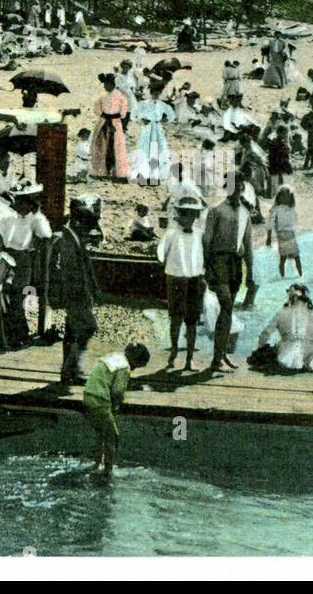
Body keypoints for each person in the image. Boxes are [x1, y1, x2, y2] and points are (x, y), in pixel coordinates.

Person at [202, 178, 254, 372]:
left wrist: (251, 273)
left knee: (228, 310)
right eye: (232, 188)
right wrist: (205, 267)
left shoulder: (245, 213)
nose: (236, 192)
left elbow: (248, 245)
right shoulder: (216, 211)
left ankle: (221, 355)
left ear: (242, 189)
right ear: (227, 189)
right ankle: (217, 359)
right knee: (226, 305)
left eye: (239, 188)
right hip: (218, 261)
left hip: (235, 264)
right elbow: (206, 241)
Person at [47, 196, 100, 384]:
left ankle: (67, 371)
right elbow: (71, 274)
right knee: (88, 327)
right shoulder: (67, 241)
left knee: (71, 332)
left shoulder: (72, 236)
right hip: (76, 295)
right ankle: (71, 367)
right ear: (77, 222)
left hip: (76, 294)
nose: (88, 232)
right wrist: (84, 294)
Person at [82, 343, 150, 480]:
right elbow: (118, 391)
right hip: (100, 400)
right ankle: (108, 471)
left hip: (88, 395)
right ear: (135, 360)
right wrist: (115, 407)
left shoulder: (113, 357)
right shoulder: (124, 367)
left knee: (101, 433)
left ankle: (97, 464)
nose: (135, 369)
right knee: (112, 436)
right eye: (137, 366)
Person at [0, 181, 51, 347]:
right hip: (7, 257)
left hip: (23, 260)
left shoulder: (35, 219)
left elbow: (46, 236)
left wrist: (36, 218)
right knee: (4, 295)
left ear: (30, 203)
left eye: (23, 202)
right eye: (17, 201)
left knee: (18, 296)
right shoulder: (9, 217)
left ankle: (19, 333)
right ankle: (9, 333)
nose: (18, 205)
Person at [157, 197, 206, 371]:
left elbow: (204, 254)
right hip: (176, 279)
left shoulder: (200, 233)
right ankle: (174, 353)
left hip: (195, 279)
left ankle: (190, 358)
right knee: (176, 319)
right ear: (179, 215)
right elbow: (161, 253)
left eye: (193, 215)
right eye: (186, 214)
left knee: (192, 320)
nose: (190, 218)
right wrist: (166, 262)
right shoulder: (171, 233)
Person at [254, 284, 313, 373]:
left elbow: (266, 333)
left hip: (285, 356)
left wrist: (259, 348)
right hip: (310, 355)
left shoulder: (281, 313)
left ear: (291, 298)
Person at [129, 81, 176, 185]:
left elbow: (172, 115)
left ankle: (155, 176)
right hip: (147, 129)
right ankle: (142, 175)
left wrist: (165, 120)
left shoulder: (162, 105)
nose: (156, 94)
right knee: (145, 150)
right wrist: (141, 120)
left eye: (158, 92)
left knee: (158, 151)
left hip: (158, 129)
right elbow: (133, 115)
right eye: (154, 92)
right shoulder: (143, 104)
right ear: (151, 92)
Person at [91, 73, 130, 179]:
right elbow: (96, 109)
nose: (105, 86)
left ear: (113, 84)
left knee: (114, 144)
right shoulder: (103, 96)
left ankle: (114, 169)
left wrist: (110, 116)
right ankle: (102, 170)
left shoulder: (120, 97)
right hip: (107, 121)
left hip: (112, 121)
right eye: (105, 84)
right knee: (103, 144)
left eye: (107, 84)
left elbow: (123, 113)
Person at [267, 185, 302, 278]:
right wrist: (269, 237)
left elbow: (295, 220)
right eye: (282, 196)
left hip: (291, 234)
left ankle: (301, 275)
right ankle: (282, 277)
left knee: (297, 257)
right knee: (283, 258)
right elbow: (270, 223)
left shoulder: (291, 209)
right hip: (282, 234)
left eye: (287, 196)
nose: (285, 198)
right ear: (279, 197)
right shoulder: (276, 210)